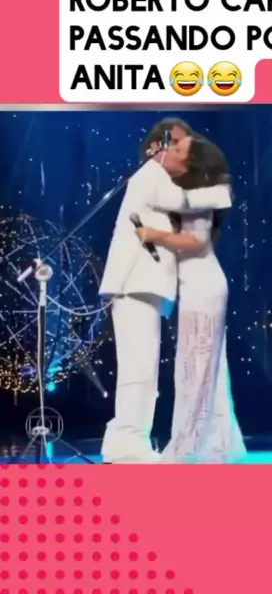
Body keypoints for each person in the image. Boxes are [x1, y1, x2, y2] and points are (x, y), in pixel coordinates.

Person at [99, 118, 232, 464]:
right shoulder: (150, 174)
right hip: (134, 282)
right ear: (156, 148)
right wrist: (222, 191)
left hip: (144, 285)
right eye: (175, 145)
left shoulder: (159, 179)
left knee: (143, 369)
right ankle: (127, 444)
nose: (182, 153)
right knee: (138, 370)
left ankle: (127, 442)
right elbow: (183, 201)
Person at [139, 131, 246, 464]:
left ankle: (191, 446)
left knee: (197, 367)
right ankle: (213, 441)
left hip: (204, 285)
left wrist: (153, 234)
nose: (171, 148)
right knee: (199, 365)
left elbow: (196, 242)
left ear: (193, 161)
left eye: (178, 147)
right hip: (195, 286)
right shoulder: (187, 192)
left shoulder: (203, 193)